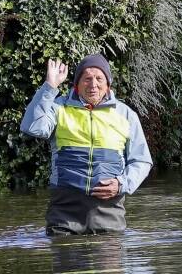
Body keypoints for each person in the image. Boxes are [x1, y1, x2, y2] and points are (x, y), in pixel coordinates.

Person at [20, 53, 152, 235]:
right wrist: (49, 86)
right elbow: (32, 127)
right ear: (77, 83)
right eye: (87, 79)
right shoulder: (59, 107)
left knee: (110, 252)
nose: (93, 84)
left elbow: (142, 160)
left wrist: (122, 184)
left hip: (109, 211)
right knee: (63, 251)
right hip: (64, 211)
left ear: (108, 84)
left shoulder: (126, 115)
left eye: (99, 79)